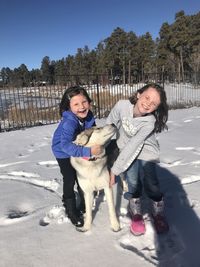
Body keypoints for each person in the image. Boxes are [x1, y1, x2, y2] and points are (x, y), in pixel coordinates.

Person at [106, 83, 169, 235]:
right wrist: (103, 147)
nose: (148, 103)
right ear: (139, 94)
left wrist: (114, 170)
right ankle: (136, 210)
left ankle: (157, 210)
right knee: (132, 179)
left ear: (156, 108)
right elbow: (110, 124)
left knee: (151, 180)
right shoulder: (122, 106)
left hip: (146, 149)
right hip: (126, 147)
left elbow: (134, 145)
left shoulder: (149, 122)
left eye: (153, 103)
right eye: (147, 97)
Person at [52, 86, 103, 227]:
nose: (81, 107)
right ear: (68, 107)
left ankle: (83, 201)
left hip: (79, 147)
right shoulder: (69, 122)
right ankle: (70, 208)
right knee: (70, 178)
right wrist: (88, 152)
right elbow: (65, 146)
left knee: (82, 175)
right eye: (76, 104)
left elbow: (92, 131)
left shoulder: (90, 115)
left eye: (84, 102)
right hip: (62, 151)